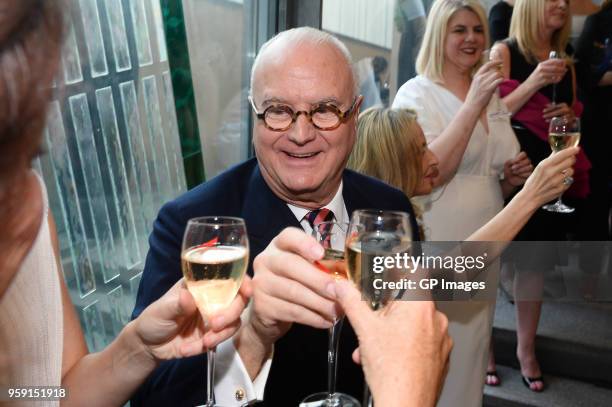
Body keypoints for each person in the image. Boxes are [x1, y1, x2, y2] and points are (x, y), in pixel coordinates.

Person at [131, 27, 424, 406]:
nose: (301, 134)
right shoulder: (192, 224)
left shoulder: (390, 210)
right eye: (279, 111)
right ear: (255, 116)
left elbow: (413, 345)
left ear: (355, 114)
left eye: (324, 111)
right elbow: (151, 397)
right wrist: (251, 337)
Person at [0, 1, 251, 406]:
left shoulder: (30, 208)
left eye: (28, 157)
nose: (31, 196)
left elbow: (51, 396)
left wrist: (139, 348)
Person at [392, 0, 532, 403]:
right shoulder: (415, 94)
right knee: (439, 347)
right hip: (442, 234)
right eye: (459, 30)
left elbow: (491, 174)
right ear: (439, 35)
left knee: (473, 350)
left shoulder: (488, 95)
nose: (471, 38)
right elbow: (430, 174)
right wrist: (472, 103)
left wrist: (510, 179)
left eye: (477, 30)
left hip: (488, 233)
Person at [492, 0, 590, 392]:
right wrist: (533, 81)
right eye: (553, 0)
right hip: (508, 169)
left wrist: (567, 111)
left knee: (534, 264)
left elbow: (572, 113)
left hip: (546, 171)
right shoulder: (504, 51)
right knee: (491, 261)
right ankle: (484, 352)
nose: (562, 6)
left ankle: (525, 350)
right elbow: (491, 110)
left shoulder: (565, 60)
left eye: (566, 2)